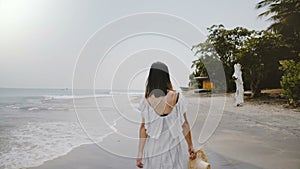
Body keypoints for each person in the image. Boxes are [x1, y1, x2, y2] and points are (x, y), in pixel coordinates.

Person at [136, 61, 196, 169]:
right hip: (172, 148)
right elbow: (184, 124)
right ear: (167, 76)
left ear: (150, 78)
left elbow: (143, 128)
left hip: (153, 149)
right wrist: (190, 145)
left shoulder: (146, 100)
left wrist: (140, 153)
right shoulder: (177, 96)